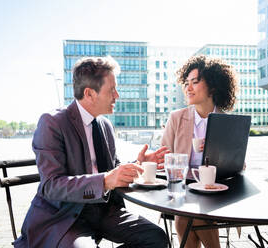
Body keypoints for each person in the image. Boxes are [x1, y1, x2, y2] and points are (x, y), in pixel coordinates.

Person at [15, 56, 169, 248]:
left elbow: (112, 169)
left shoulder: (105, 125)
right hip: (64, 216)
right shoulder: (52, 123)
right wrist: (105, 181)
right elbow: (51, 186)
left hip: (103, 209)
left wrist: (138, 165)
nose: (117, 96)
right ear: (89, 93)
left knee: (156, 237)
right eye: (112, 90)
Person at [161, 55, 239, 248]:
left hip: (216, 189)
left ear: (212, 86)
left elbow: (238, 165)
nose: (188, 88)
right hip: (183, 187)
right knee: (189, 214)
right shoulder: (176, 118)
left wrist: (218, 150)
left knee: (188, 215)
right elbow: (164, 157)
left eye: (195, 82)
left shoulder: (226, 122)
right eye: (186, 83)